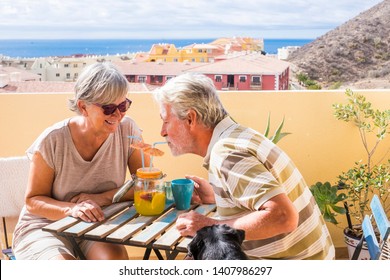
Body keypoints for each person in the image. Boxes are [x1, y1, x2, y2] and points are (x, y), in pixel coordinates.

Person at [153, 73, 335, 260]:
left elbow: (283, 216)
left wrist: (208, 226)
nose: (162, 131)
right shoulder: (237, 135)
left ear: (191, 118)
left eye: (166, 121)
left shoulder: (226, 153)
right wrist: (218, 196)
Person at [13, 62, 150, 260]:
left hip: (98, 222)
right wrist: (73, 209)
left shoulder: (128, 130)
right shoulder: (53, 140)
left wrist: (101, 198)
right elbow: (33, 201)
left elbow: (146, 186)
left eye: (123, 105)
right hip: (45, 226)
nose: (118, 115)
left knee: (115, 263)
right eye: (109, 108)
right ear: (83, 107)